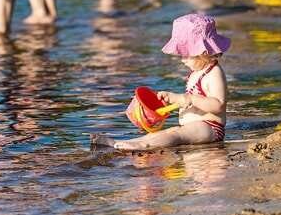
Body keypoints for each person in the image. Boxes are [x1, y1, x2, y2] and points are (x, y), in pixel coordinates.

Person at [90, 13, 229, 150]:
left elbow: (218, 105)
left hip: (210, 128)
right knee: (164, 133)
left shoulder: (214, 73)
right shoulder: (196, 71)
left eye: (185, 54)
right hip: (194, 127)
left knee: (176, 134)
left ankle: (139, 146)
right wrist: (172, 99)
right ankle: (125, 142)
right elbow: (188, 101)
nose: (182, 59)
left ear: (203, 52)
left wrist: (189, 98)